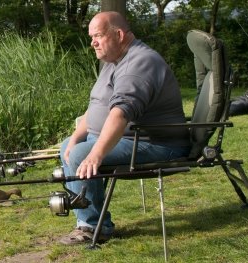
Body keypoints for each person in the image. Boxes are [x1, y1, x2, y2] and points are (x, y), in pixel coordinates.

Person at [57, 11, 191, 245]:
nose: (93, 43)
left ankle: (93, 227)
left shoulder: (139, 63)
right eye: (91, 37)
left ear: (118, 35)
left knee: (80, 154)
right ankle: (89, 219)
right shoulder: (113, 60)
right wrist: (78, 134)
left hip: (158, 143)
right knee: (70, 145)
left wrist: (95, 153)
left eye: (98, 36)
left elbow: (120, 114)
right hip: (130, 139)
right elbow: (98, 105)